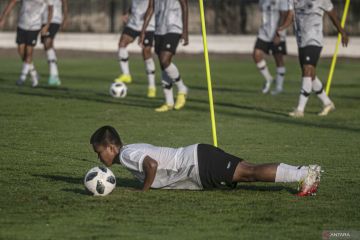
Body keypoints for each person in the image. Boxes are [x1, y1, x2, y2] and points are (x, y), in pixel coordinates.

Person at [90, 125, 322, 196]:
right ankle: (303, 173)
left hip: (197, 163)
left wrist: (144, 190)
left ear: (111, 147)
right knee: (249, 172)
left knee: (249, 172)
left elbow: (151, 165)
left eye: (100, 152)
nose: (99, 157)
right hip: (199, 159)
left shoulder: (127, 155)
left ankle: (304, 173)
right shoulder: (129, 149)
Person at [278, 0, 349, 117]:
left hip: (314, 40)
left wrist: (342, 32)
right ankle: (327, 103)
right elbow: (291, 15)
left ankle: (300, 110)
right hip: (301, 41)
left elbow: (333, 15)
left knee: (307, 71)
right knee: (311, 75)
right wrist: (282, 27)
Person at [139, 0, 189, 112]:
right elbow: (151, 8)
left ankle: (182, 88)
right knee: (162, 64)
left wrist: (185, 31)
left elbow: (184, 5)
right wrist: (143, 30)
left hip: (174, 27)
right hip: (159, 30)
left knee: (164, 59)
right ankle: (169, 102)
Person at [0, 0, 54, 88]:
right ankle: (33, 72)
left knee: (29, 53)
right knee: (21, 51)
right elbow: (12, 2)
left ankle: (22, 77)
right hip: (22, 24)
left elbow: (51, 9)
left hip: (34, 26)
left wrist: (47, 25)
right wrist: (3, 17)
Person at [114, 0, 157, 98]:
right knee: (122, 43)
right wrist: (127, 12)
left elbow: (152, 6)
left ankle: (151, 86)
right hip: (133, 23)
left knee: (146, 53)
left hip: (148, 25)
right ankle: (126, 74)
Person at [253, 0, 292, 95]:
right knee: (256, 54)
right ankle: (268, 78)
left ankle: (279, 87)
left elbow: (284, 15)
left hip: (277, 32)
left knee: (278, 58)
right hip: (264, 32)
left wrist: (279, 32)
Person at [41, 0, 68, 86]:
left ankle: (53, 75)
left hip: (55, 19)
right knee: (46, 45)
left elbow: (65, 3)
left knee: (47, 43)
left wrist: (65, 18)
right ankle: (55, 75)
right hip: (43, 19)